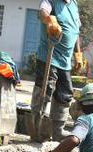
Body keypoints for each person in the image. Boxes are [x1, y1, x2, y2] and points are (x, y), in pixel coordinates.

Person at [29, 0, 84, 142]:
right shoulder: (50, 1)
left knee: (64, 94)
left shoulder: (74, 4)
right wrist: (49, 21)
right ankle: (36, 129)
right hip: (49, 56)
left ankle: (58, 131)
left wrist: (78, 55)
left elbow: (76, 30)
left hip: (65, 61)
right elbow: (42, 12)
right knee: (45, 91)